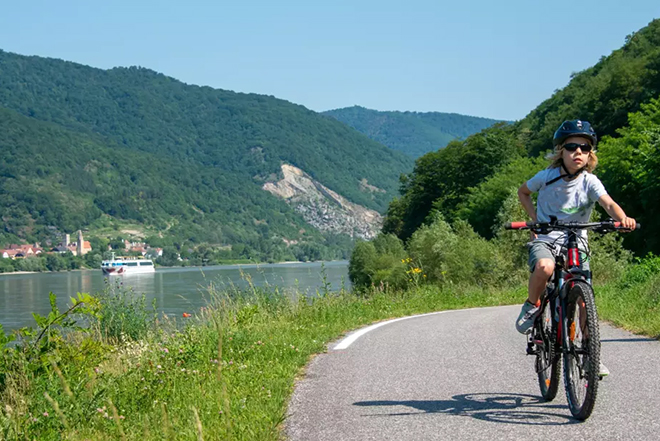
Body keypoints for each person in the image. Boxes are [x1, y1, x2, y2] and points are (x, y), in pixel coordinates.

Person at [515, 119, 636, 377]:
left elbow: (608, 203)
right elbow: (523, 192)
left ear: (590, 153)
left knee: (584, 301)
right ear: (561, 151)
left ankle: (590, 357)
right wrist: (535, 219)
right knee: (545, 267)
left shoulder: (590, 181)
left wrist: (622, 218)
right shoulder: (547, 177)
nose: (577, 152)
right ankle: (532, 304)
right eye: (571, 147)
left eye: (584, 147)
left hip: (576, 241)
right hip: (547, 238)